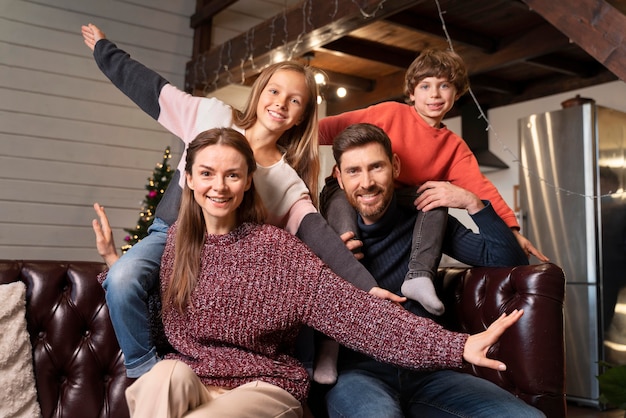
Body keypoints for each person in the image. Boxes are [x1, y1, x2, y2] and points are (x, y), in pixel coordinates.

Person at [93, 127, 525, 418]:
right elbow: (153, 324)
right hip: (196, 382)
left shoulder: (277, 250)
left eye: (232, 175)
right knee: (163, 375)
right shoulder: (175, 250)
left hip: (262, 390)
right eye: (206, 174)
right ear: (188, 180)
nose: (218, 186)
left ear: (247, 183)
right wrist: (118, 266)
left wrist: (457, 346)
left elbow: (357, 314)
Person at [81, 23, 400, 378]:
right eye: (275, 91)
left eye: (294, 100)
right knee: (123, 277)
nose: (280, 103)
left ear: (302, 116)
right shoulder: (211, 115)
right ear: (260, 91)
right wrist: (105, 51)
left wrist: (368, 287)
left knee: (302, 276)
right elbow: (152, 89)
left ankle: (303, 368)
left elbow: (321, 238)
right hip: (170, 233)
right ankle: (143, 371)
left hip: (225, 261)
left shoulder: (286, 181)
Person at [314, 122, 544, 418]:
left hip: (430, 371)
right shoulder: (323, 234)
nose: (367, 182)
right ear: (339, 178)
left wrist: (472, 203)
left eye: (376, 167)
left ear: (395, 166)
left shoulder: (424, 223)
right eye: (354, 171)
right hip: (359, 374)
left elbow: (510, 260)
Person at [318, 48, 548, 317]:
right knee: (341, 229)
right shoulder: (389, 113)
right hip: (345, 199)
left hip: (404, 201)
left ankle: (418, 276)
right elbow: (325, 129)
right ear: (412, 93)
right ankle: (343, 269)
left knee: (435, 197)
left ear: (457, 94)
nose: (435, 94)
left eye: (445, 86)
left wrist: (511, 228)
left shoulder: (453, 147)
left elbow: (481, 189)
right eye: (425, 86)